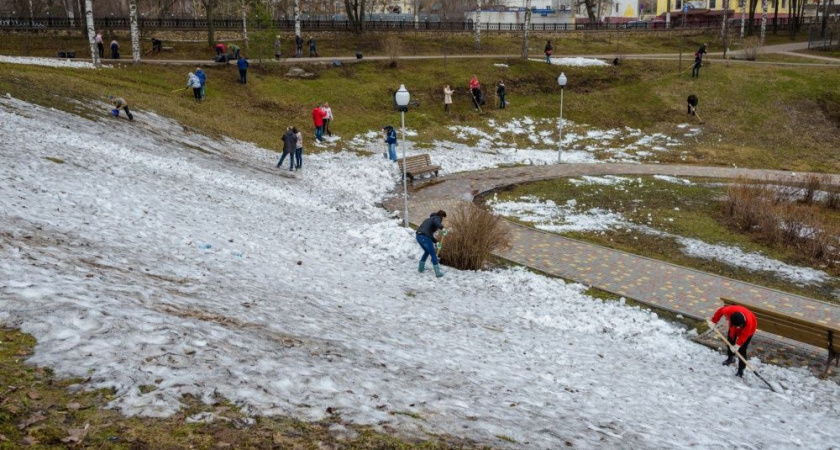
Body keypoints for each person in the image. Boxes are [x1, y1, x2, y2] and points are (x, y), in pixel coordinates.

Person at [708, 305, 757, 378]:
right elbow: (720, 311)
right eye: (736, 326)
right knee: (730, 340)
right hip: (734, 325)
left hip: (749, 329)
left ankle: (741, 369)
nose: (738, 328)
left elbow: (744, 335)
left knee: (742, 349)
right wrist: (713, 321)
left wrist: (737, 345)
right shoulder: (729, 311)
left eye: (739, 326)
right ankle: (731, 358)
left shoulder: (749, 323)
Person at [416, 210, 447, 278]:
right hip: (424, 237)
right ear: (441, 216)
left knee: (427, 251)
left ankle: (421, 268)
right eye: (443, 218)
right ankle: (438, 272)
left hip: (419, 236)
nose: (442, 220)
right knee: (433, 253)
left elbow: (429, 234)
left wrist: (436, 242)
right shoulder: (436, 218)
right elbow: (437, 222)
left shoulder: (429, 219)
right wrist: (442, 228)